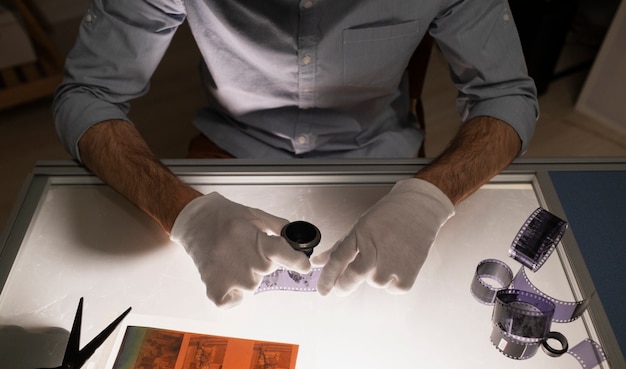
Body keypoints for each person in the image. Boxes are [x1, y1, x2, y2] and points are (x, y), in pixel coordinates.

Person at [53, 0, 538, 308]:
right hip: (235, 144)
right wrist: (184, 213)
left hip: (377, 148)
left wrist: (430, 199)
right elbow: (87, 94)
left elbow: (506, 94)